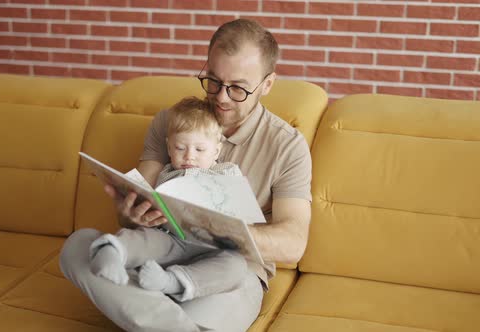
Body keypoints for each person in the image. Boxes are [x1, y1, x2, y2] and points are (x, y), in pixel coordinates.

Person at [60, 18, 312, 332]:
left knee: (229, 275)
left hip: (229, 272)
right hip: (164, 252)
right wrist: (128, 213)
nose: (221, 97)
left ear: (267, 84)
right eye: (214, 81)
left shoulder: (287, 145)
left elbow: (293, 243)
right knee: (79, 246)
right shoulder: (171, 122)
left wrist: (225, 230)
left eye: (237, 89)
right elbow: (140, 201)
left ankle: (150, 309)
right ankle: (169, 314)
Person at [88, 96, 251, 303]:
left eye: (200, 150)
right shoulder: (166, 173)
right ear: (168, 147)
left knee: (235, 267)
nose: (189, 157)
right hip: (170, 239)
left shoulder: (226, 173)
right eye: (180, 148)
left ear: (217, 150)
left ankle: (170, 282)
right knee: (142, 236)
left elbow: (242, 211)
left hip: (212, 248)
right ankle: (111, 252)